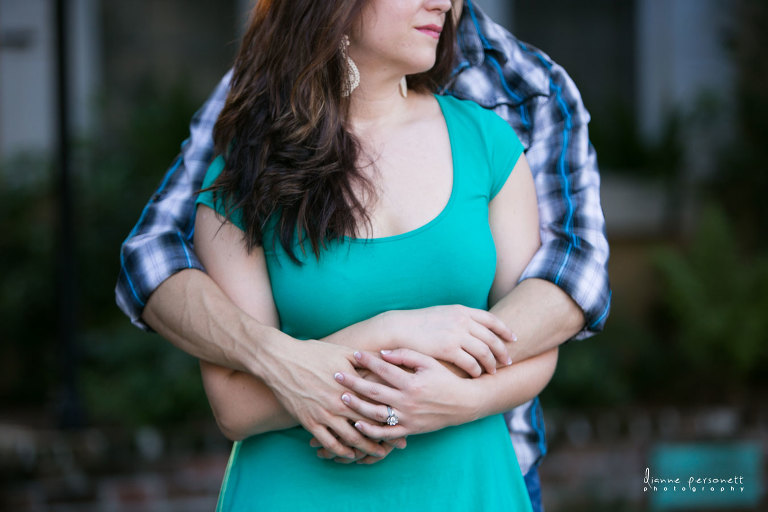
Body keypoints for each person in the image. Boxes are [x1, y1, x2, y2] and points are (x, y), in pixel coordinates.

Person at [116, 1, 610, 510]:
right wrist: (391, 331)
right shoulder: (252, 150)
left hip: (472, 481)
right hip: (296, 492)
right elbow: (232, 402)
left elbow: (566, 295)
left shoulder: (500, 126)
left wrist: (453, 399)